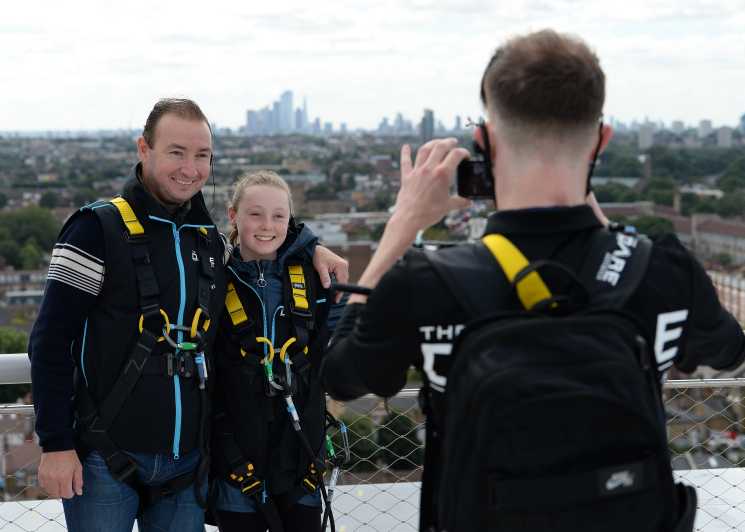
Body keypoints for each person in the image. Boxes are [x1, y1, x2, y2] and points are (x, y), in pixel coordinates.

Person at [321, 30, 745, 531]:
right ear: (602, 141)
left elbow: (339, 375)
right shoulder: (665, 273)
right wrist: (605, 231)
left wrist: (403, 223)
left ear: (484, 143)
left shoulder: (425, 285)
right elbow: (728, 351)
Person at [29, 98, 348, 532]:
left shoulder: (210, 246)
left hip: (187, 466)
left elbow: (265, 245)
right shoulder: (95, 229)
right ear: (144, 149)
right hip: (105, 456)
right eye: (176, 152)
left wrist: (311, 246)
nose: (190, 168)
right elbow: (49, 341)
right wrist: (55, 443)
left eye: (202, 156)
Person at [210, 170, 339, 532]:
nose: (267, 225)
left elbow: (343, 335)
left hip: (300, 463)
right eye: (255, 214)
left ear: (290, 221)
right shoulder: (215, 279)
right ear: (233, 216)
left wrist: (313, 248)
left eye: (279, 216)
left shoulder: (311, 278)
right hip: (236, 463)